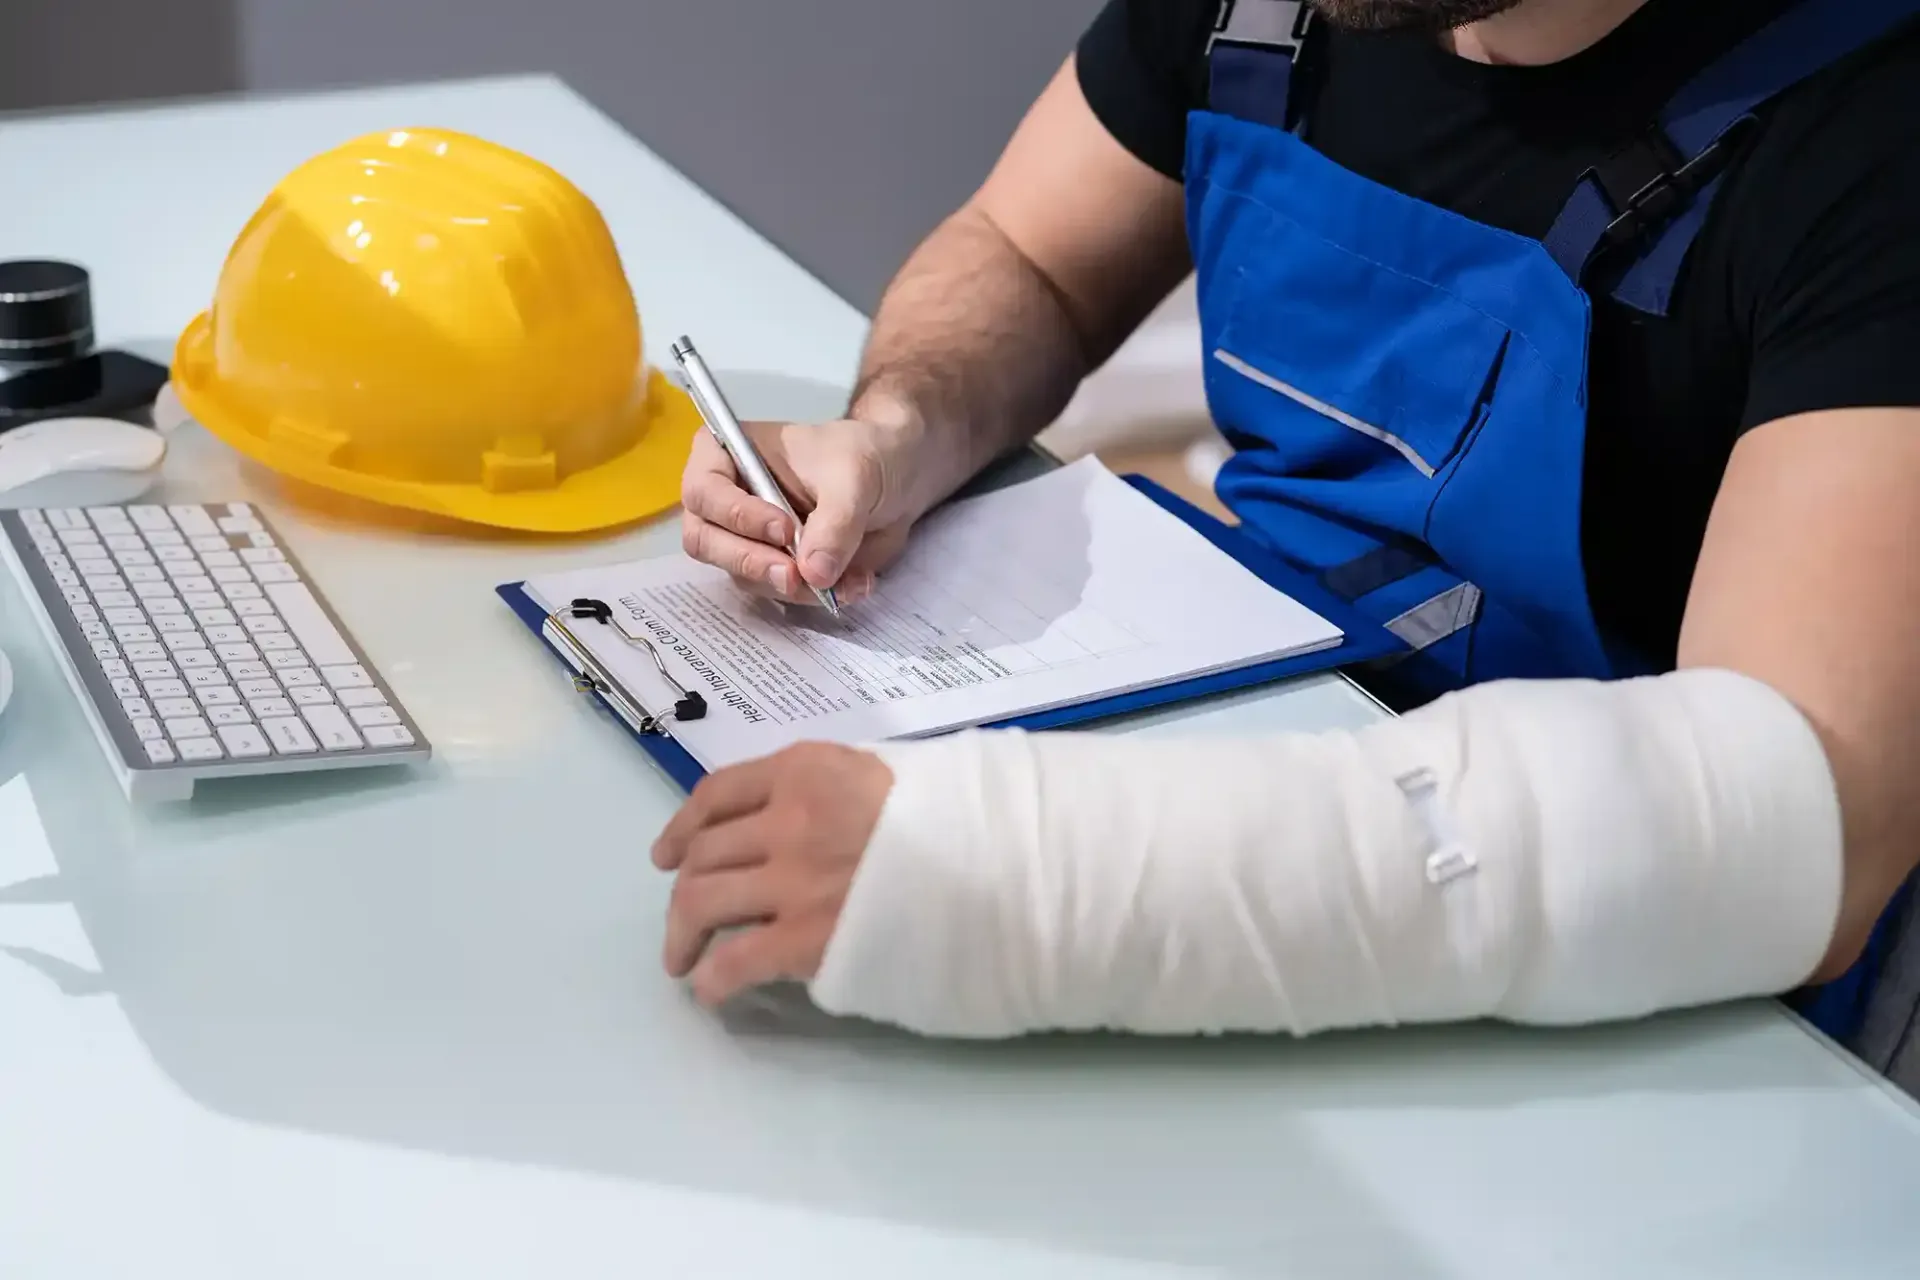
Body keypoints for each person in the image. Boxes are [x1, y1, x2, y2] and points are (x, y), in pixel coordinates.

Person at [652, 0, 1920, 1082]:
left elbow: (1787, 812)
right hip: (1243, 767)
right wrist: (898, 430)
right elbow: (1025, 256)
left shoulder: (1870, 123)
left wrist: (999, 876)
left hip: (1623, 959)